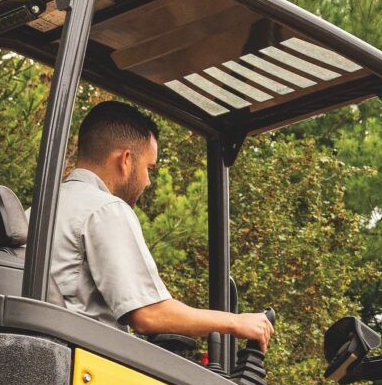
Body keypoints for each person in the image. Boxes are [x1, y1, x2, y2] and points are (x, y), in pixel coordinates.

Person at [47, 99, 274, 349]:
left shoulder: (38, 211)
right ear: (125, 160)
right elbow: (148, 314)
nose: (148, 181)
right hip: (82, 359)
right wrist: (235, 322)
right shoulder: (105, 209)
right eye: (149, 168)